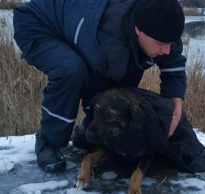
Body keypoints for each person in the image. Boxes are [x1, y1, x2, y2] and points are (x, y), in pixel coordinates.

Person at [13, 0, 186, 172]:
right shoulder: (108, 36)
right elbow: (98, 94)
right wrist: (97, 129)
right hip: (37, 24)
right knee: (71, 70)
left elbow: (173, 61)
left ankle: (84, 131)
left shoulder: (162, 23)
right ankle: (48, 139)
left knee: (126, 73)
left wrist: (175, 100)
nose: (166, 50)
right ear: (138, 30)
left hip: (76, 27)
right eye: (161, 44)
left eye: (171, 43)